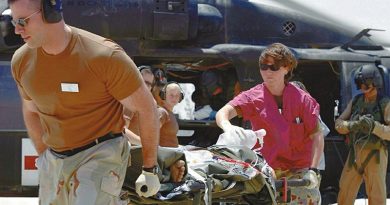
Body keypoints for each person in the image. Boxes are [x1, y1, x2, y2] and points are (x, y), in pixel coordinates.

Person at [9, 0, 160, 204]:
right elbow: (30, 110)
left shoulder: (105, 57)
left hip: (100, 153)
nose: (17, 30)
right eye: (13, 22)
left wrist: (150, 169)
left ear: (50, 12)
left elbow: (147, 108)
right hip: (55, 160)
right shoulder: (21, 61)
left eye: (22, 21)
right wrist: (44, 156)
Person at [215, 43, 323, 204]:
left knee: (306, 197)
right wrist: (227, 126)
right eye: (263, 67)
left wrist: (313, 170)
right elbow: (223, 112)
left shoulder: (303, 100)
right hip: (266, 169)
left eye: (274, 67)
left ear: (286, 68)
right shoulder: (253, 96)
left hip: (299, 171)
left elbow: (317, 136)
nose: (267, 72)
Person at [335, 64, 390, 205]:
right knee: (345, 190)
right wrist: (352, 125)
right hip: (355, 154)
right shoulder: (356, 101)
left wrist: (375, 127)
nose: (363, 87)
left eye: (365, 83)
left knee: (376, 194)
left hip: (376, 155)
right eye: (360, 84)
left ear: (375, 83)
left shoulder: (384, 103)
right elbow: (339, 124)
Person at [123, 67, 185, 182]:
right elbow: (121, 130)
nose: (147, 86)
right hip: (131, 153)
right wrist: (145, 143)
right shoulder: (130, 99)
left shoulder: (149, 103)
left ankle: (169, 172)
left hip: (142, 151)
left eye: (150, 84)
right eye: (144, 82)